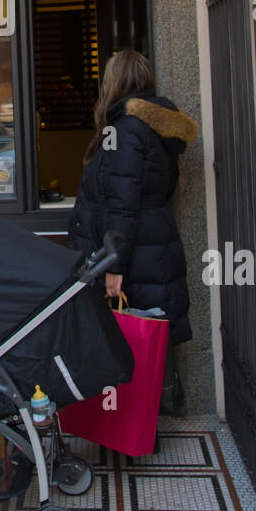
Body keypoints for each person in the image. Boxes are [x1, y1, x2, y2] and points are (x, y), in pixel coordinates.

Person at [67, 49, 199, 415]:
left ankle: (138, 420)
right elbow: (161, 188)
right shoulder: (155, 126)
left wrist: (114, 265)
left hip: (134, 249)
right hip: (154, 241)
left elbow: (122, 203)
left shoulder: (125, 130)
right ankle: (163, 404)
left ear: (115, 83)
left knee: (132, 334)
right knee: (150, 328)